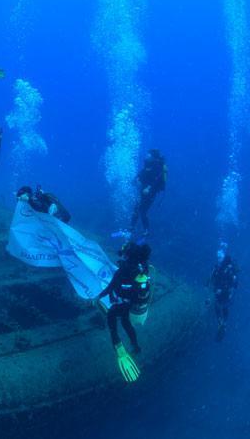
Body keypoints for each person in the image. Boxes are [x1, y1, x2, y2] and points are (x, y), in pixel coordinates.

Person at [97, 241, 152, 383]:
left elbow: (110, 288)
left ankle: (120, 351)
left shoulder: (122, 270)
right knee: (126, 323)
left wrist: (98, 297)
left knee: (112, 319)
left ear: (127, 255)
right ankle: (135, 346)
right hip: (135, 305)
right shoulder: (143, 267)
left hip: (123, 303)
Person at [131, 149, 167, 235]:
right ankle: (131, 227)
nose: (146, 156)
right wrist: (136, 178)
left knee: (143, 211)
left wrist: (148, 188)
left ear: (153, 157)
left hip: (151, 192)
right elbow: (142, 172)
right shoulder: (148, 164)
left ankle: (146, 230)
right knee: (136, 208)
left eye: (148, 155)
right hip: (143, 190)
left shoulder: (157, 166)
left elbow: (157, 179)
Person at [209, 243, 239, 342]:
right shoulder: (217, 266)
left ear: (224, 256)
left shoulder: (229, 268)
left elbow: (233, 283)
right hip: (219, 290)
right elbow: (212, 278)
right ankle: (221, 323)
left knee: (222, 305)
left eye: (220, 257)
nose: (218, 259)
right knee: (218, 305)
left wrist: (222, 289)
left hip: (226, 291)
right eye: (217, 257)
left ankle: (222, 323)